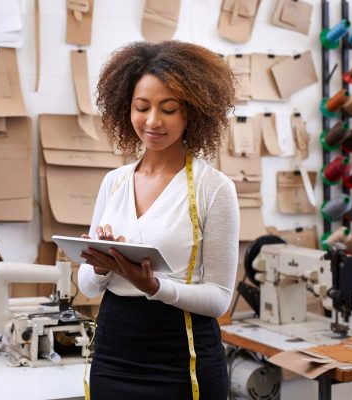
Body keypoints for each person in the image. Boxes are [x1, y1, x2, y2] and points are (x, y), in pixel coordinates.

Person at [78, 40, 239, 400]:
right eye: (142, 107)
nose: (152, 121)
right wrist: (103, 266)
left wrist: (154, 287)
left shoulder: (213, 189)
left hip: (182, 359)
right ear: (126, 107)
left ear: (193, 113)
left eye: (168, 109)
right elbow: (88, 287)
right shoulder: (114, 182)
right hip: (112, 351)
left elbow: (218, 299)